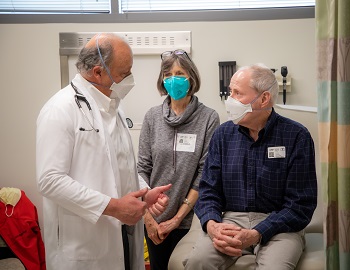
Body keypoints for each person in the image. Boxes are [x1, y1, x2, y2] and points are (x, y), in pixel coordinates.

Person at [36, 33, 171, 270]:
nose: (130, 79)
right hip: (84, 242)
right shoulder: (60, 109)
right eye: (124, 73)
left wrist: (143, 193)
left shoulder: (113, 107)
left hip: (121, 234)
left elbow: (121, 166)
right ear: (98, 72)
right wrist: (114, 207)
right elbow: (50, 181)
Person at [185, 64, 318, 270]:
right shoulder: (222, 135)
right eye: (230, 92)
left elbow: (300, 205)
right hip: (230, 221)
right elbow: (208, 192)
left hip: (279, 226)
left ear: (264, 99)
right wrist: (212, 225)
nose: (230, 100)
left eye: (237, 93)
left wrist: (258, 232)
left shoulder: (296, 136)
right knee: (197, 263)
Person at [137, 49, 220, 270]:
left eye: (180, 73)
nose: (173, 79)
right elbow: (142, 169)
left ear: (191, 77)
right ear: (162, 80)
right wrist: (147, 217)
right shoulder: (152, 117)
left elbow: (206, 173)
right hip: (154, 218)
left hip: (190, 219)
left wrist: (176, 219)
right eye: (168, 74)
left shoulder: (209, 118)